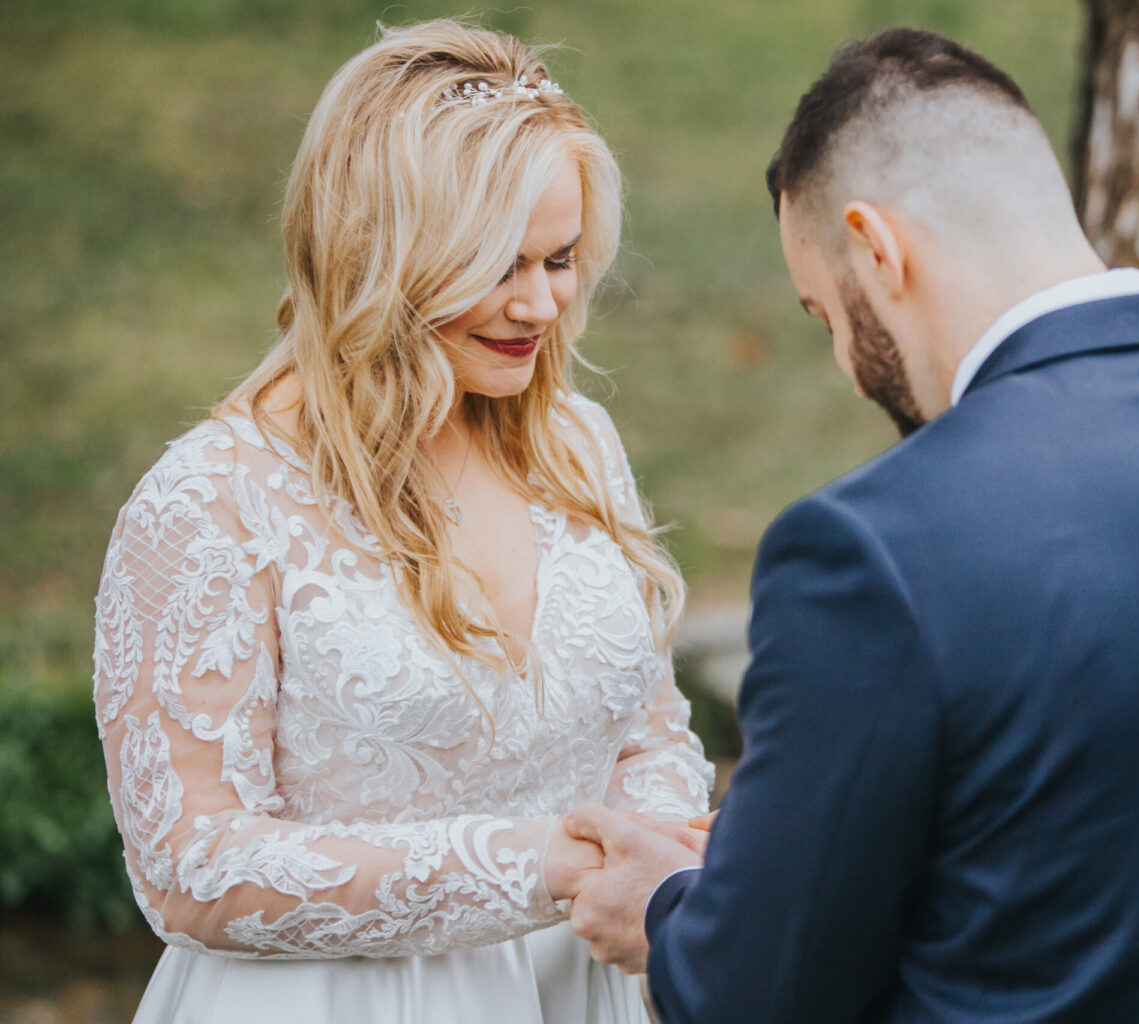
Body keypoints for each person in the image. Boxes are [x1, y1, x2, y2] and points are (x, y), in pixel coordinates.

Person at [558, 27, 1139, 1023]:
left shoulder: (874, 551)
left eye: (826, 316)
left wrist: (667, 908)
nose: (850, 371)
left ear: (877, 249)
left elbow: (759, 994)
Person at [90, 20, 712, 1024]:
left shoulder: (578, 442)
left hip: (580, 988)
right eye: (499, 265)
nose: (543, 304)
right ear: (380, 255)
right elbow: (189, 865)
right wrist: (526, 866)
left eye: (560, 259)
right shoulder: (212, 501)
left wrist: (647, 847)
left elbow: (647, 730)